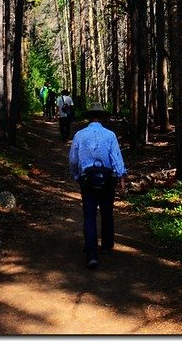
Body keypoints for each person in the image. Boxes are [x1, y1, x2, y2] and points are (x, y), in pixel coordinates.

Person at [68, 102, 127, 270]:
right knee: (107, 212)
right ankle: (107, 246)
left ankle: (91, 254)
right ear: (102, 117)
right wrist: (121, 177)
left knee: (89, 215)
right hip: (108, 179)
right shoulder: (110, 135)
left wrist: (76, 175)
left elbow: (73, 159)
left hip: (87, 179)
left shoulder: (80, 135)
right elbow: (116, 157)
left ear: (89, 117)